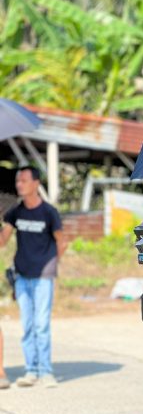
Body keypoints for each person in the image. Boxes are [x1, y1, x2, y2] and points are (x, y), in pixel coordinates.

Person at [0, 166, 66, 388]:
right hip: (22, 277)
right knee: (27, 325)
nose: (19, 184)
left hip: (43, 277)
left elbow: (61, 242)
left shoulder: (49, 212)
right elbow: (3, 241)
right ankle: (31, 371)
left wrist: (49, 264)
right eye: (18, 181)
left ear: (36, 183)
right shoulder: (15, 213)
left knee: (41, 324)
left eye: (24, 180)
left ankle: (45, 371)